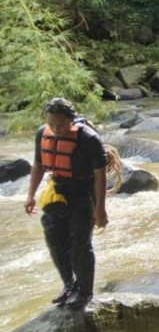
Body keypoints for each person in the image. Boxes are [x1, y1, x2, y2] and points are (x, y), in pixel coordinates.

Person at [24, 98, 108, 310]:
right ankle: (69, 286)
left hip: (82, 195)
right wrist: (30, 195)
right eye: (51, 124)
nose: (55, 128)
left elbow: (100, 175)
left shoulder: (88, 139)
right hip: (57, 193)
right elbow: (38, 165)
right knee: (55, 241)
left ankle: (85, 292)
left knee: (80, 244)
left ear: (71, 120)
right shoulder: (43, 133)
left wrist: (100, 209)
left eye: (60, 124)